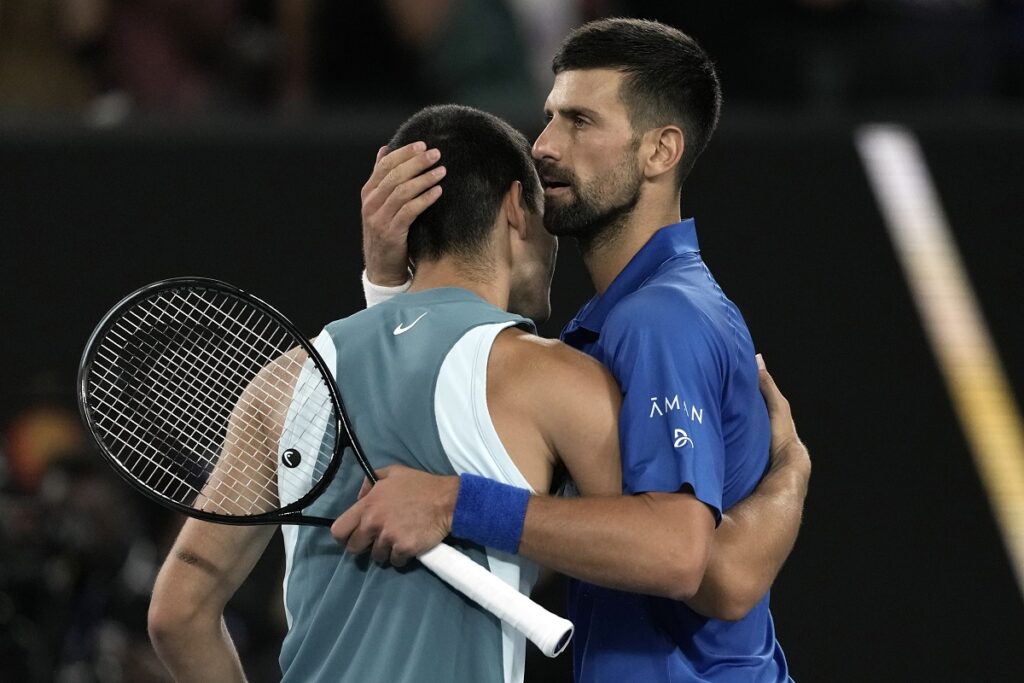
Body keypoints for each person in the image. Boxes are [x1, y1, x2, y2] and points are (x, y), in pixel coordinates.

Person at [332, 18, 811, 682]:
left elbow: (682, 555)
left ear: (660, 151)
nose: (545, 145)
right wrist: (389, 286)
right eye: (551, 117)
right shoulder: (613, 321)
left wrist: (453, 501)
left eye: (581, 122)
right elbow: (574, 538)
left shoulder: (660, 318)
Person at [147, 103, 630, 683]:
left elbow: (177, 615)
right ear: (515, 209)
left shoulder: (285, 381)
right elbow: (657, 556)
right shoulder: (556, 378)